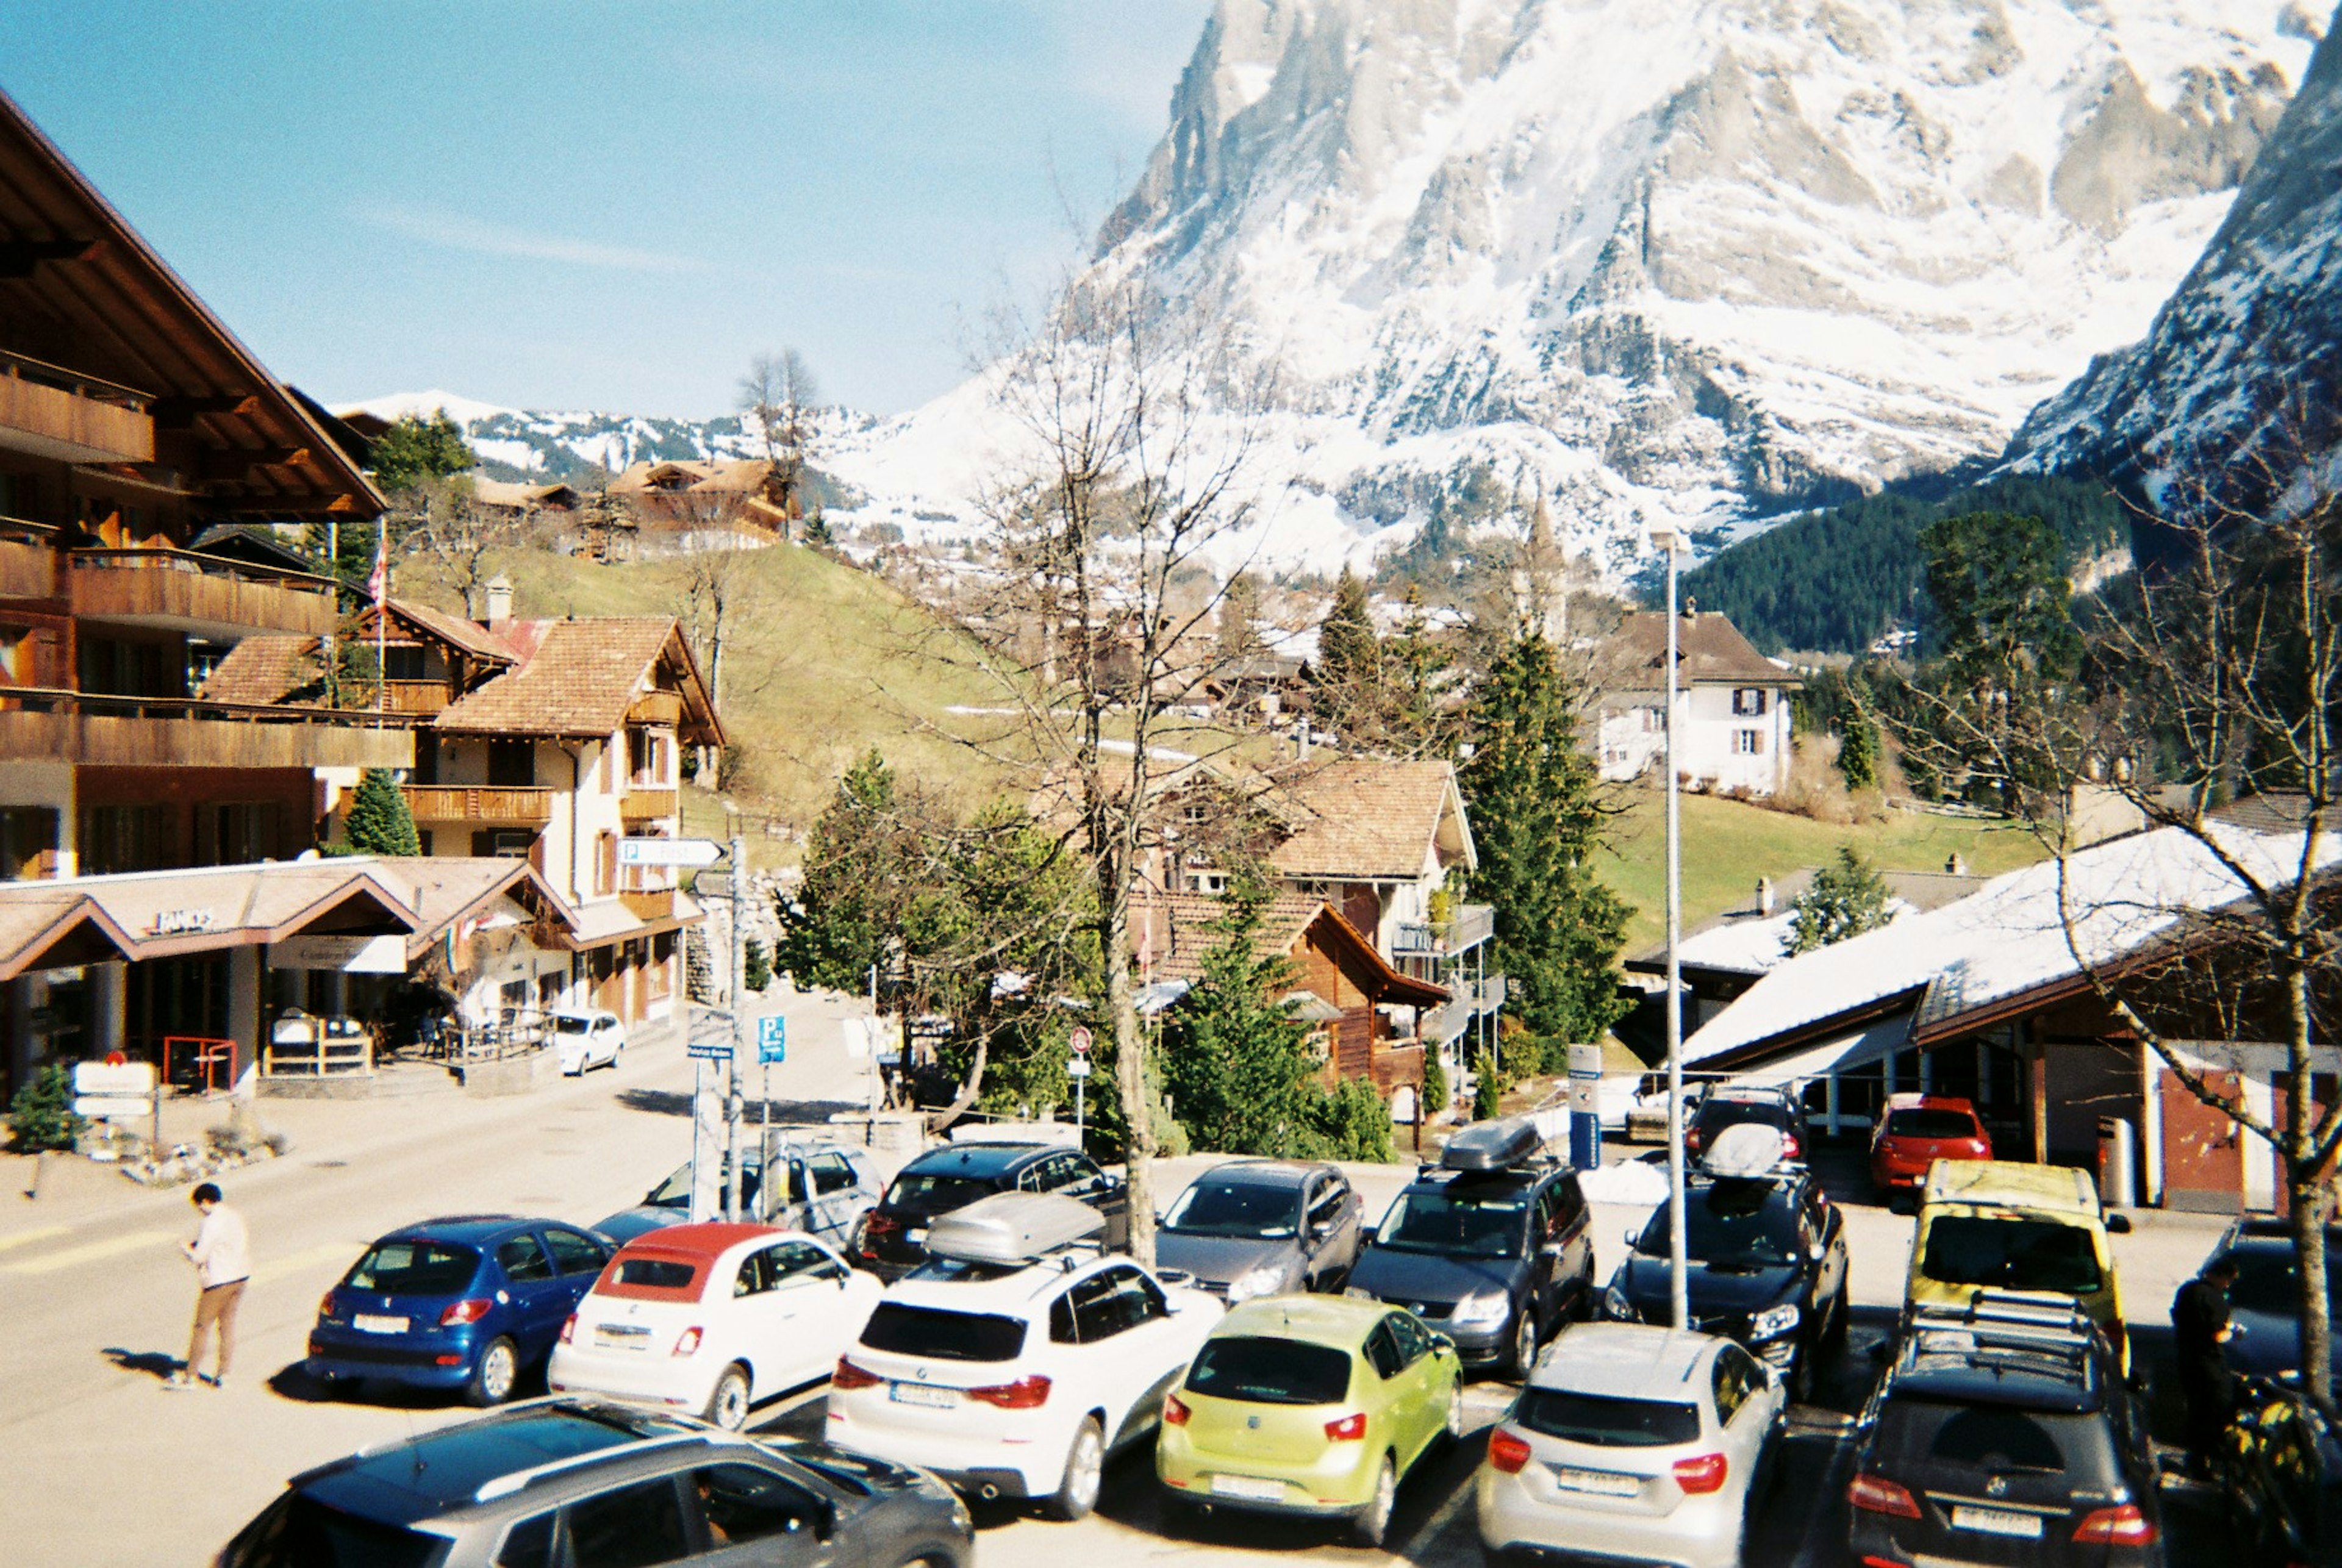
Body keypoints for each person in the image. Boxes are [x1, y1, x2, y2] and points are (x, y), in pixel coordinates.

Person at [165, 1181, 249, 1391]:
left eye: (199, 1206)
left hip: (218, 1280)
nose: (200, 1211)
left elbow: (199, 1257)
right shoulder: (234, 1216)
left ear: (205, 1202)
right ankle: (223, 1374)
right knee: (227, 1326)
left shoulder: (211, 1223)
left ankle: (190, 1376)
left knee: (202, 1327)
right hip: (239, 1276)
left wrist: (186, 1248)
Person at [2171, 1253, 2240, 1478]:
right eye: (2228, 1280)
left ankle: (2194, 1459)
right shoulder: (2214, 1299)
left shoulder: (2187, 1291)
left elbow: (2177, 1316)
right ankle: (2209, 1461)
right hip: (2209, 1364)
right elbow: (2216, 1334)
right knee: (2215, 1411)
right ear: (2221, 1277)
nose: (2228, 1285)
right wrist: (2232, 1332)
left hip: (2187, 1359)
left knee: (2195, 1410)